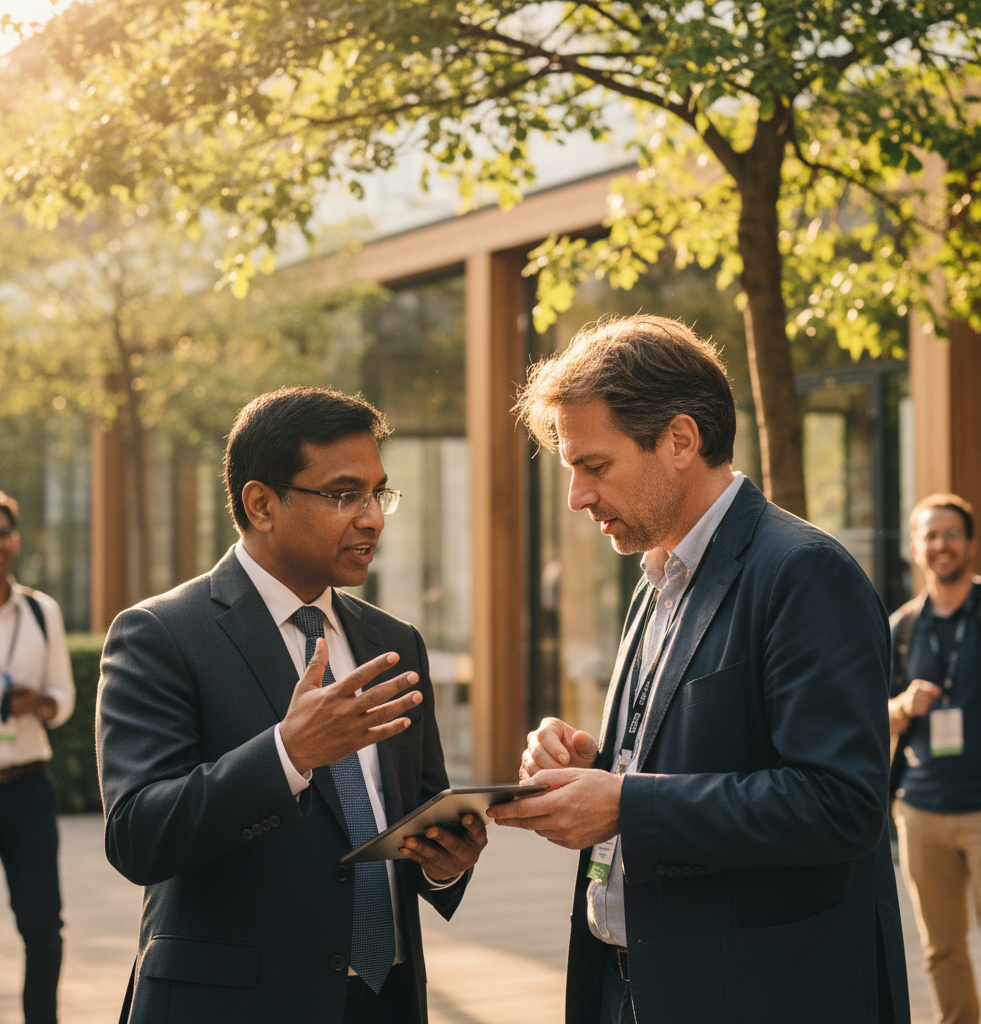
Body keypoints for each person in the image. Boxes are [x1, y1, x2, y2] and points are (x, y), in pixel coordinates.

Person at [489, 315, 910, 1024]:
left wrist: (625, 802)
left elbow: (842, 804)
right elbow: (695, 750)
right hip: (635, 984)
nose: (577, 497)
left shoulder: (803, 572)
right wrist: (595, 761)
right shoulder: (658, 573)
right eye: (571, 472)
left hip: (755, 996)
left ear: (681, 440)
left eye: (594, 466)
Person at [97, 386, 486, 1024]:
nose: (373, 518)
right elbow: (138, 835)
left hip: (384, 1001)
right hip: (233, 1004)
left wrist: (445, 864)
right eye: (343, 495)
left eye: (377, 492)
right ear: (261, 504)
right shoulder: (161, 634)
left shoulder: (394, 642)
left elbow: (414, 823)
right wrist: (289, 754)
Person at [0, 489, 76, 1024]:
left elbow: (65, 699)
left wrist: (40, 703)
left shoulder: (41, 611)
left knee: (43, 930)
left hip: (29, 789)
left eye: (3, 533)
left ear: (16, 539)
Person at [890, 493, 981, 1024]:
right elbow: (867, 715)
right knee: (942, 949)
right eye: (930, 535)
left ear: (969, 544)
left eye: (950, 534)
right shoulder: (901, 627)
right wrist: (903, 706)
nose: (940, 544)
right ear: (915, 548)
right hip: (921, 810)